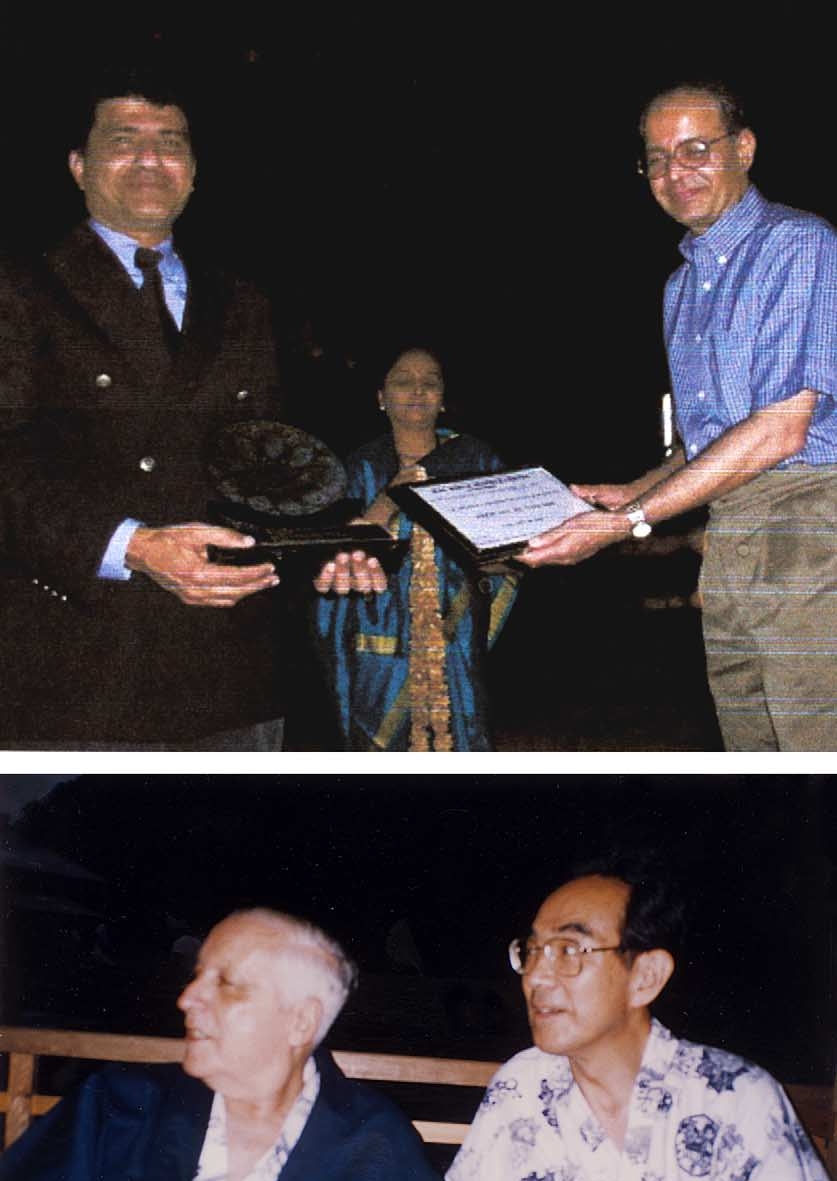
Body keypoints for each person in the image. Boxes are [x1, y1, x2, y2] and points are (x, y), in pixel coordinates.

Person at [0, 68, 383, 750]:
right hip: (80, 672)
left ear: (195, 170)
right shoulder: (20, 292)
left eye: (171, 143)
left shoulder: (244, 300)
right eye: (125, 140)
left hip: (232, 669)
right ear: (78, 165)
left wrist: (328, 542)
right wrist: (134, 546)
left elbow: (272, 461)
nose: (151, 160)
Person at [517, 82, 837, 752]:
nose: (673, 173)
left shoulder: (797, 245)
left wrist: (629, 522)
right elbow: (716, 439)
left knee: (816, 745)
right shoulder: (680, 285)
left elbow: (781, 428)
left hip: (810, 525)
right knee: (751, 746)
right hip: (730, 530)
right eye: (655, 159)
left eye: (695, 149)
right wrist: (637, 488)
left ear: (743, 149)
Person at [0, 908, 470, 1181]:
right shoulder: (123, 1105)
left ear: (300, 1021)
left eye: (225, 983)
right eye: (197, 975)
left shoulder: (366, 1134)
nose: (187, 998)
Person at [446, 862, 837, 1181]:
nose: (537, 976)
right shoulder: (523, 1084)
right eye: (531, 951)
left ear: (646, 977)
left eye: (569, 950)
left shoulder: (733, 1098)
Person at [314, 347, 518, 750]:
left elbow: (508, 550)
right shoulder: (357, 468)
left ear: (443, 398)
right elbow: (332, 559)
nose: (418, 391)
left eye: (431, 382)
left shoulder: (475, 458)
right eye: (403, 381)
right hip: (376, 639)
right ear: (380, 396)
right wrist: (391, 499)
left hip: (456, 635)